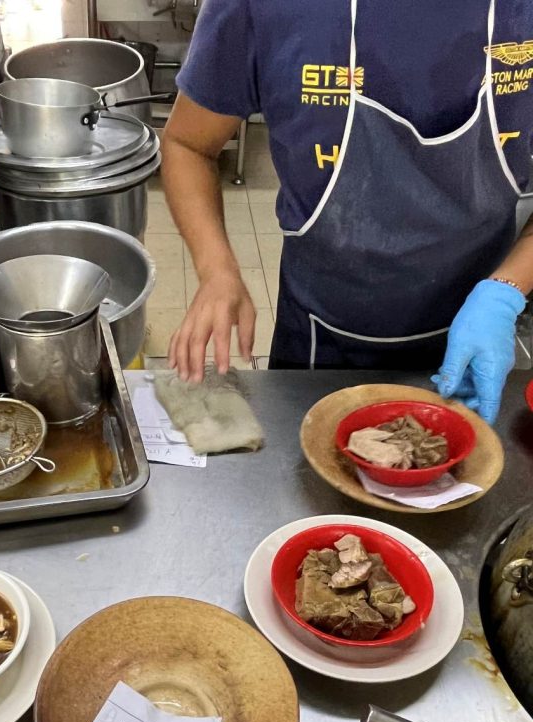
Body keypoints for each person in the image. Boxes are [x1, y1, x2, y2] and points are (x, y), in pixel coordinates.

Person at [161, 0, 533, 423]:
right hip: (319, 347)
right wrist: (217, 270)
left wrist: (504, 293)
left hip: (480, 349)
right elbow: (188, 145)